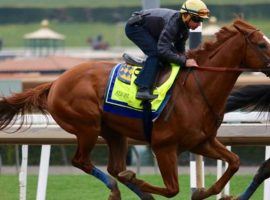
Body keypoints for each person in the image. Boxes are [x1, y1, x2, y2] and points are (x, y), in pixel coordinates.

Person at [125, 0, 210, 100]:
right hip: (135, 27)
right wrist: (184, 61)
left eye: (201, 20)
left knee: (169, 56)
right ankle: (143, 89)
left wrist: (185, 60)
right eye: (197, 19)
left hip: (150, 30)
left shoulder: (184, 29)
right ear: (186, 16)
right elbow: (162, 50)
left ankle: (149, 69)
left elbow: (179, 50)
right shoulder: (173, 24)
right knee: (156, 54)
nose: (199, 24)